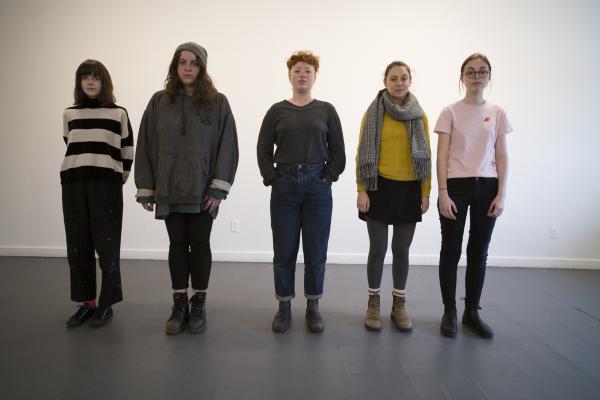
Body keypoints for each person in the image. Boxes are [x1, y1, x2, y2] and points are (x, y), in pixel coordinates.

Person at [135, 42, 239, 335]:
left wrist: (218, 189)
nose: (188, 67)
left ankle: (199, 303)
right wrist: (146, 186)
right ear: (175, 66)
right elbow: (145, 144)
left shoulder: (217, 102)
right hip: (168, 189)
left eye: (194, 63)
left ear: (202, 68)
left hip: (202, 192)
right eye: (182, 62)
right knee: (177, 245)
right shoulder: (159, 102)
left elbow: (227, 147)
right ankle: (179, 303)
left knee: (201, 245)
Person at [257, 50, 346, 333]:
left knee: (316, 250)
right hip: (284, 185)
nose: (302, 74)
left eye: (307, 70)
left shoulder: (326, 110)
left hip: (316, 186)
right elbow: (262, 148)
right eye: (297, 70)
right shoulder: (276, 110)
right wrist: (272, 177)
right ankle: (284, 306)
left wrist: (327, 177)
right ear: (289, 75)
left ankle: (313, 305)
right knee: (283, 250)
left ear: (315, 76)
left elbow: (338, 150)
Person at [435, 53, 512, 338]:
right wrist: (442, 192)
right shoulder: (450, 112)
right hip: (456, 186)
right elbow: (441, 154)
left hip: (487, 187)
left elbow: (502, 155)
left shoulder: (498, 112)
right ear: (462, 77)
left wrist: (501, 193)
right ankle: (449, 311)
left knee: (478, 253)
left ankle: (472, 312)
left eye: (482, 71)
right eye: (471, 71)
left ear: (489, 76)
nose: (476, 75)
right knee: (451, 250)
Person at [356, 61, 431, 332]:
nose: (399, 82)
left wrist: (425, 193)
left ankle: (399, 304)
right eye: (394, 78)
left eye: (404, 78)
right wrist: (361, 189)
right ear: (385, 81)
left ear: (410, 81)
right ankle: (373, 303)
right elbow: (361, 151)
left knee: (401, 250)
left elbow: (427, 157)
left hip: (409, 189)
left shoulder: (419, 115)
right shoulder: (374, 112)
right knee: (377, 249)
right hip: (378, 187)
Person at [62, 59, 134, 327]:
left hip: (106, 184)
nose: (90, 82)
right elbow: (70, 144)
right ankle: (86, 303)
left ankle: (106, 303)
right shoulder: (69, 113)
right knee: (78, 245)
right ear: (79, 83)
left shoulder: (118, 113)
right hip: (73, 183)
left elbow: (127, 151)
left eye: (96, 77)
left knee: (107, 244)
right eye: (84, 77)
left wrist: (116, 179)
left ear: (105, 81)